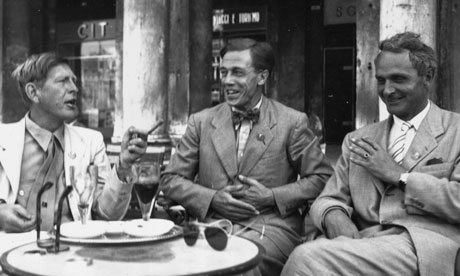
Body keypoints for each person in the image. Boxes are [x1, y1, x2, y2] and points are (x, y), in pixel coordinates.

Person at [282, 32, 460, 276]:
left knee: (307, 259)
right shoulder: (357, 139)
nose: (388, 90)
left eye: (398, 79)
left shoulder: (455, 130)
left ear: (427, 77)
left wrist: (400, 175)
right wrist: (334, 216)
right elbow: (328, 197)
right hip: (362, 244)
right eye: (381, 80)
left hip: (424, 247)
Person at [161, 38, 333, 276]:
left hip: (269, 228)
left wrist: (271, 196)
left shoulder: (290, 122)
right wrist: (212, 199)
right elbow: (170, 179)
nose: (227, 81)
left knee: (240, 267)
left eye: (238, 73)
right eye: (224, 72)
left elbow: (323, 177)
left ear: (262, 77)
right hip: (208, 225)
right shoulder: (200, 122)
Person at [0, 52, 148, 233]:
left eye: (73, 81)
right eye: (63, 81)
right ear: (33, 92)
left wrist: (124, 165)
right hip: (12, 253)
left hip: (75, 252)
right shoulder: (3, 139)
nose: (74, 88)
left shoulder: (91, 142)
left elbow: (108, 215)